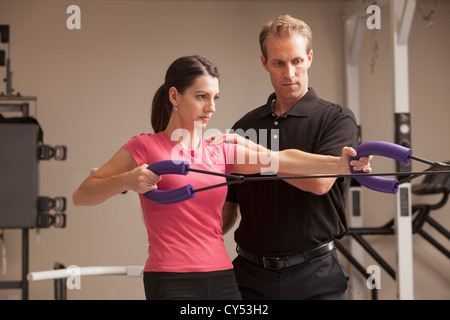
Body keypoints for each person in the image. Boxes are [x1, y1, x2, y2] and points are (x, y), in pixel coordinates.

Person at [72, 55, 371, 300]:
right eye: (201, 97)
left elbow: (282, 161)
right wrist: (126, 181)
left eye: (215, 98)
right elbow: (82, 195)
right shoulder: (145, 146)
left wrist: (340, 164)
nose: (211, 108)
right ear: (175, 95)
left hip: (223, 278)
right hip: (170, 279)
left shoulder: (220, 150)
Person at [222, 15, 364, 300]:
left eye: (297, 61)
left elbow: (320, 182)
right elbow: (227, 209)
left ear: (309, 58)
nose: (289, 73)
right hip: (250, 277)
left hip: (316, 275)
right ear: (264, 63)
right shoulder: (244, 127)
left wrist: (256, 155)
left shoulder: (337, 120)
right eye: (279, 63)